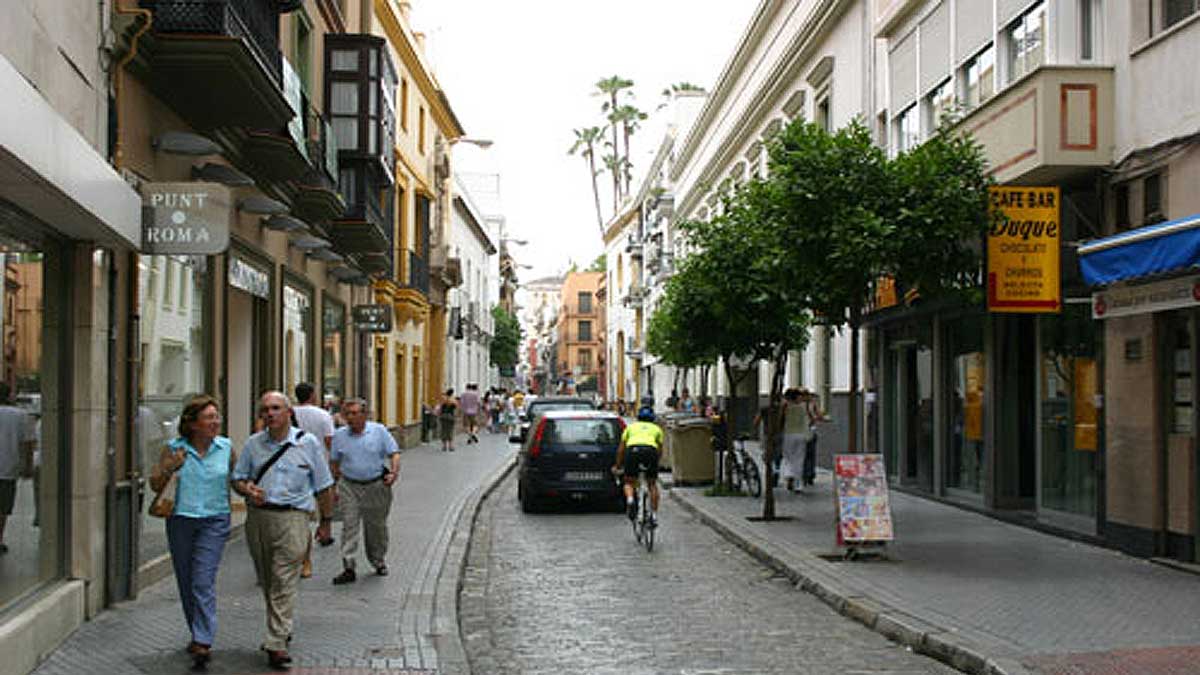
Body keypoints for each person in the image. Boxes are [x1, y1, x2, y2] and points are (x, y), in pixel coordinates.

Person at [231, 391, 335, 669]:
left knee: (284, 578)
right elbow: (238, 478)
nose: (270, 413)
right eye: (265, 409)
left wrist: (326, 522)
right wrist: (246, 488)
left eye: (276, 408)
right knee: (268, 579)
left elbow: (324, 485)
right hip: (259, 519)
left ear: (289, 413)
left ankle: (276, 641)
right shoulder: (253, 445)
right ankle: (281, 627)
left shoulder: (308, 443)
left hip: (294, 519)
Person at [148, 394, 234, 668]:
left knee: (202, 580)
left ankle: (203, 640)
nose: (216, 422)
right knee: (186, 580)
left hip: (215, 520)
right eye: (209, 417)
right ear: (193, 424)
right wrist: (170, 467)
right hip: (181, 520)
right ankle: (197, 631)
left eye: (216, 416)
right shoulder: (174, 448)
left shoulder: (226, 448)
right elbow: (155, 484)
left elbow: (239, 478)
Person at [329, 398, 400, 584]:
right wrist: (335, 485)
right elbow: (334, 461)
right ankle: (348, 566)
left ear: (365, 415)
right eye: (347, 414)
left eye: (354, 413)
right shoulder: (339, 435)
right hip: (349, 486)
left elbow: (394, 453)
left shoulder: (379, 431)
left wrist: (393, 473)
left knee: (376, 527)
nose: (350, 418)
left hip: (375, 485)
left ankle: (378, 560)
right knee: (349, 526)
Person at [292, 382, 336, 579]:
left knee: (302, 512)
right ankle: (324, 531)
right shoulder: (322, 415)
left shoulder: (289, 412)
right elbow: (329, 441)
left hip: (294, 466)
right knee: (322, 504)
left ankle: (304, 554)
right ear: (312, 395)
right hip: (319, 467)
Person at [612, 405, 665, 525]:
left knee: (629, 482)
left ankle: (630, 500)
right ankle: (654, 516)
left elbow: (621, 450)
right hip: (651, 452)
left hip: (633, 451)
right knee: (652, 484)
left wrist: (618, 465)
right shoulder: (657, 429)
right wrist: (656, 464)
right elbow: (660, 450)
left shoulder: (630, 428)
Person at [0, 383, 35, 555]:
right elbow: (28, 443)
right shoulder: (20, 415)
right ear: (9, 395)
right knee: (3, 507)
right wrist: (27, 466)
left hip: (8, 468)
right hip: (8, 467)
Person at [779, 389, 811, 492]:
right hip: (801, 434)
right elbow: (809, 419)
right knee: (799, 459)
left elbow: (781, 419)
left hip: (788, 434)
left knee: (788, 457)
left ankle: (789, 475)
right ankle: (798, 484)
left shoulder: (785, 406)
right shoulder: (804, 406)